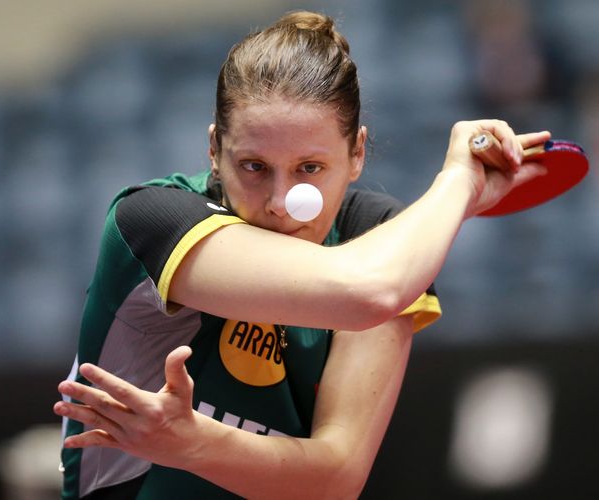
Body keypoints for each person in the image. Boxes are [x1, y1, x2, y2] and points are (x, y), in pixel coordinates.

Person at [53, 10, 550, 499]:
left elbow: (335, 481)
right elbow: (371, 290)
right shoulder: (152, 223)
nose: (280, 202)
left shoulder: (376, 238)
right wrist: (458, 183)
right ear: (213, 150)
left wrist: (190, 442)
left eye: (310, 167)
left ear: (357, 154)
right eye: (253, 166)